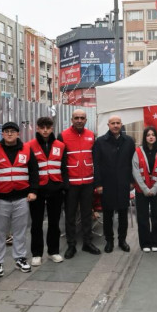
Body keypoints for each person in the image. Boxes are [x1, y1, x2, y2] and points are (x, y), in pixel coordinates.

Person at [0, 122, 38, 276]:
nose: (9, 134)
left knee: (20, 231)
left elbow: (34, 171)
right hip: (1, 199)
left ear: (18, 134)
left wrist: (33, 191)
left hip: (22, 198)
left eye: (12, 131)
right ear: (2, 134)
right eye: (6, 131)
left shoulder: (27, 149)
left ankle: (20, 258)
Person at [59, 109, 100, 258]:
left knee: (86, 214)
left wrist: (95, 181)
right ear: (71, 119)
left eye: (82, 118)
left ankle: (87, 243)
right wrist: (64, 183)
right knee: (70, 215)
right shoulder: (63, 136)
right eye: (76, 118)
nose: (79, 120)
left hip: (88, 182)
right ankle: (71, 245)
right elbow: (61, 162)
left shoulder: (91, 136)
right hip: (71, 184)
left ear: (86, 120)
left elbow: (95, 159)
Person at [25, 116, 66, 265]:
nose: (45, 130)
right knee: (36, 223)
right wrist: (31, 189)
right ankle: (37, 253)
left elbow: (63, 168)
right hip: (38, 190)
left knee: (54, 223)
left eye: (48, 127)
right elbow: (28, 170)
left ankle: (53, 251)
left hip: (55, 188)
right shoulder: (29, 146)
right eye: (42, 127)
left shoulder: (60, 145)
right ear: (37, 128)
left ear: (52, 128)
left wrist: (63, 187)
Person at [93, 115, 136, 253]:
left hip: (124, 183)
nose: (116, 125)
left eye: (118, 123)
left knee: (123, 213)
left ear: (121, 124)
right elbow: (97, 165)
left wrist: (131, 181)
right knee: (108, 214)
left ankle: (122, 240)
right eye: (113, 123)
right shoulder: (100, 142)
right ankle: (109, 241)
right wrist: (98, 184)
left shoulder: (129, 141)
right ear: (108, 125)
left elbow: (133, 163)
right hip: (107, 184)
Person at [132, 126, 157, 252]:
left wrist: (156, 187)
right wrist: (145, 189)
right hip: (142, 190)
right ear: (145, 137)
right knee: (142, 218)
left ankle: (156, 242)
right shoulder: (138, 152)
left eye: (153, 135)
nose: (151, 137)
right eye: (148, 135)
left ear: (156, 137)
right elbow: (135, 171)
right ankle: (145, 243)